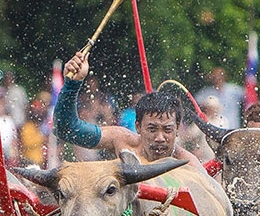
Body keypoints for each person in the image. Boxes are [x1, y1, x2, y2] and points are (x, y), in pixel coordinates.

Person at [52, 52, 204, 168]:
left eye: (167, 130)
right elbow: (66, 130)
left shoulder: (188, 164)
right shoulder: (122, 140)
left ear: (177, 128)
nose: (159, 138)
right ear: (138, 126)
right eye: (151, 129)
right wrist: (72, 83)